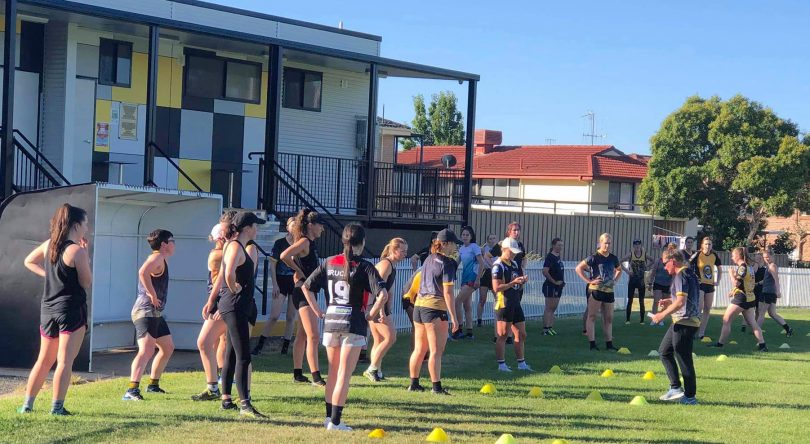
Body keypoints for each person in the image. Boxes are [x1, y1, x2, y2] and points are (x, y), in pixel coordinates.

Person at [302, 224, 388, 431]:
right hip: (353, 322)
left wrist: (317, 311)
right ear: (363, 242)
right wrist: (372, 313)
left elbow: (306, 286)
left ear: (344, 241)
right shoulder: (366, 266)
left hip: (331, 320)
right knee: (344, 374)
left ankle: (328, 417)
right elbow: (383, 294)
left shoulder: (330, 262)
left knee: (333, 372)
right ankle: (337, 421)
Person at [19, 204, 92, 415]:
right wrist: (85, 255)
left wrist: (48, 276)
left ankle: (27, 405)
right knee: (64, 361)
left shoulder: (49, 244)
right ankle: (57, 407)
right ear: (76, 225)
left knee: (43, 360)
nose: (87, 228)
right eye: (85, 224)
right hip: (71, 309)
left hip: (48, 309)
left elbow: (28, 261)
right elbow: (86, 282)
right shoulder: (76, 251)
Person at [203, 211, 265, 417]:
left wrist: (212, 301)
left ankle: (226, 399)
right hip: (235, 305)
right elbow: (227, 274)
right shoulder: (236, 246)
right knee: (243, 355)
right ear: (247, 228)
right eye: (255, 226)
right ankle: (245, 404)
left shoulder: (236, 246)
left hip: (236, 305)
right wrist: (234, 287)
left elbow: (223, 274)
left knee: (230, 352)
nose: (257, 229)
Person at [123, 229, 176, 401]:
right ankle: (132, 390)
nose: (174, 244)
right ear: (164, 244)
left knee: (167, 347)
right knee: (146, 350)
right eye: (172, 240)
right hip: (145, 311)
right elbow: (142, 272)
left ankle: (153, 385)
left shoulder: (161, 259)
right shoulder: (157, 257)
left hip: (155, 313)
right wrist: (152, 294)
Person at [408, 229, 459, 395]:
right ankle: (436, 387)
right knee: (436, 351)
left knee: (419, 348)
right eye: (453, 244)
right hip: (435, 308)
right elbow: (448, 292)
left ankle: (413, 383)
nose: (455, 247)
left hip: (419, 307)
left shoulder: (428, 259)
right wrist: (454, 317)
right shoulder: (448, 263)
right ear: (445, 244)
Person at [281, 209, 327, 386]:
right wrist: (298, 271)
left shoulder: (309, 243)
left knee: (302, 335)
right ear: (311, 225)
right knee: (313, 336)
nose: (322, 229)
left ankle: (298, 373)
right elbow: (284, 255)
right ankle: (316, 377)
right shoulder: (304, 241)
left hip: (308, 291)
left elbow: (293, 256)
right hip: (302, 293)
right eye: (320, 225)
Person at [650, 249, 701, 405]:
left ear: (673, 261)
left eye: (666, 264)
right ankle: (675, 388)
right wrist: (669, 301)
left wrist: (661, 314)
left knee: (684, 359)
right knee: (664, 351)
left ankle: (690, 397)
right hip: (681, 321)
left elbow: (681, 302)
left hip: (685, 322)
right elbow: (683, 298)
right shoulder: (689, 274)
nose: (665, 268)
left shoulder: (681, 275)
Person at [192, 219, 233, 401]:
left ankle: (216, 385)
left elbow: (221, 280)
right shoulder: (219, 254)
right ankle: (221, 382)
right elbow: (220, 279)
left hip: (222, 299)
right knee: (219, 342)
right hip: (220, 299)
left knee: (212, 342)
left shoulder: (223, 253)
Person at [252, 217, 299, 356]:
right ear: (287, 227)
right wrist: (275, 285)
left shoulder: (300, 243)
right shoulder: (279, 243)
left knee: (291, 316)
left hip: (295, 282)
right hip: (281, 281)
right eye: (292, 225)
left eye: (296, 225)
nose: (294, 228)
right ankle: (259, 345)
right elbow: (273, 264)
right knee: (274, 315)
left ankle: (284, 348)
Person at [364, 238, 408, 382]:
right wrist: (381, 311)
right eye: (402, 251)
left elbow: (390, 290)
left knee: (378, 339)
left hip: (379, 306)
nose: (405, 254)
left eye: (405, 251)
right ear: (394, 250)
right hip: (375, 306)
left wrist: (388, 307)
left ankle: (377, 371)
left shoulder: (392, 266)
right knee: (390, 337)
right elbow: (378, 290)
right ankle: (372, 369)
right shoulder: (385, 264)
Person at [710, 247, 767, 351]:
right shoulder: (749, 267)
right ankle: (762, 345)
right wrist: (734, 290)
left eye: (732, 255)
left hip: (742, 298)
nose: (731, 257)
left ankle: (720, 343)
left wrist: (731, 275)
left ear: (738, 256)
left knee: (726, 320)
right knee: (753, 323)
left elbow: (737, 283)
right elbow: (747, 283)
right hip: (750, 298)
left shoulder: (742, 267)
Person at [576, 233, 622, 351]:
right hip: (596, 290)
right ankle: (592, 344)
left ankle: (609, 344)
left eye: (609, 243)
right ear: (600, 243)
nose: (607, 245)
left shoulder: (613, 258)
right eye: (605, 243)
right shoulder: (594, 257)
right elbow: (578, 268)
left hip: (609, 291)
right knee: (592, 316)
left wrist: (615, 281)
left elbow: (619, 270)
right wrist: (589, 281)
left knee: (609, 318)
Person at [493, 238, 533, 372]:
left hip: (515, 302)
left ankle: (521, 363)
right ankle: (501, 364)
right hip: (504, 303)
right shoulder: (498, 265)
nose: (514, 255)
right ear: (504, 250)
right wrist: (512, 283)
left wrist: (521, 281)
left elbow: (516, 280)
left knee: (522, 334)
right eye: (512, 252)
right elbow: (496, 287)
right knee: (503, 335)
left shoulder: (514, 264)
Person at [485, 222, 525, 343]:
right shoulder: (502, 244)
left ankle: (509, 335)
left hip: (516, 280)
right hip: (505, 282)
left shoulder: (519, 245)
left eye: (518, 230)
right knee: (502, 308)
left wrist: (522, 270)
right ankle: (501, 335)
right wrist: (496, 269)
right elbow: (487, 256)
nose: (516, 232)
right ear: (509, 232)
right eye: (514, 230)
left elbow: (523, 257)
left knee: (514, 308)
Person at [451, 226, 486, 340]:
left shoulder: (474, 247)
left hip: (472, 278)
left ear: (471, 236)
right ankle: (470, 332)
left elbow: (482, 263)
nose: (465, 237)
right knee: (467, 306)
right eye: (463, 235)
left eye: (467, 235)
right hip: (464, 278)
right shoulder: (461, 248)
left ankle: (459, 329)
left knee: (456, 302)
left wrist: (478, 279)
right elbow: (457, 262)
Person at [756, 249, 793, 336]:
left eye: (768, 257)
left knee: (761, 313)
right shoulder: (768, 266)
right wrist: (757, 283)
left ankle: (757, 332)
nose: (766, 259)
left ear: (772, 256)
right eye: (765, 257)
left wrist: (778, 291)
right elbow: (766, 280)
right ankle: (788, 329)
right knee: (772, 313)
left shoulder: (772, 266)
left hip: (768, 292)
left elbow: (776, 279)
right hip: (769, 292)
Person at [692, 237, 722, 340]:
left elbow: (719, 269)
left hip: (710, 285)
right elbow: (688, 264)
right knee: (699, 308)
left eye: (709, 244)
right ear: (702, 245)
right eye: (706, 244)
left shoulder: (714, 255)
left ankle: (701, 332)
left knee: (707, 309)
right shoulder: (697, 254)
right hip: (700, 284)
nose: (708, 246)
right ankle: (693, 330)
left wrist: (717, 281)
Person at [621, 240, 654, 324]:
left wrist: (646, 266)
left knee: (641, 300)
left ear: (640, 246)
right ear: (633, 246)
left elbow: (653, 260)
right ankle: (628, 320)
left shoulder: (644, 254)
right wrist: (627, 271)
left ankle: (642, 321)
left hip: (641, 280)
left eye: (638, 245)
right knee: (630, 300)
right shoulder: (631, 254)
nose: (637, 247)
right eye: (635, 245)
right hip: (632, 280)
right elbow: (620, 261)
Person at [541, 238, 565, 335]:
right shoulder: (550, 257)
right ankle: (545, 329)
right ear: (553, 245)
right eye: (558, 245)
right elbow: (545, 271)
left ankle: (550, 327)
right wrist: (554, 281)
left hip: (559, 286)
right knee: (549, 308)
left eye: (561, 245)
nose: (560, 247)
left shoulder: (558, 257)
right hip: (550, 286)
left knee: (554, 308)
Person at [649, 244, 677, 326]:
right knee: (656, 301)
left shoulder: (672, 263)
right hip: (658, 283)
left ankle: (661, 318)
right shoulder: (658, 261)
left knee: (665, 303)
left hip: (667, 285)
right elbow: (653, 273)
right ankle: (654, 318)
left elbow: (673, 275)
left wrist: (671, 287)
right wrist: (650, 283)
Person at [476, 233, 498, 326]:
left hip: (495, 273)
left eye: (494, 238)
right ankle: (479, 320)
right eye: (490, 238)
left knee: (497, 297)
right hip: (486, 273)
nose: (492, 240)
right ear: (488, 240)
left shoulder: (499, 249)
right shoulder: (484, 249)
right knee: (482, 298)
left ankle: (497, 319)